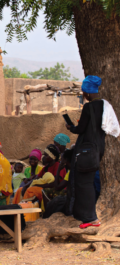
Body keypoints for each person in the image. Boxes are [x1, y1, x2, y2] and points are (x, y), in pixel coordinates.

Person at [65, 75, 119, 228]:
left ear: (87, 93)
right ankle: (87, 217)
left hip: (86, 152)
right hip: (97, 149)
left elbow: (81, 129)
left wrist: (71, 128)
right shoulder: (105, 105)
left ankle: (91, 218)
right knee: (87, 182)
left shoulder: (89, 107)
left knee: (84, 184)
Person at [42, 149, 73, 218]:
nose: (60, 161)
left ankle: (47, 217)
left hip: (72, 196)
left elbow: (57, 187)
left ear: (66, 160)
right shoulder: (71, 171)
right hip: (70, 193)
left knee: (53, 199)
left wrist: (59, 169)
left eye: (62, 159)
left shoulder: (71, 172)